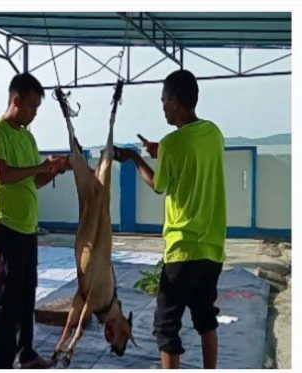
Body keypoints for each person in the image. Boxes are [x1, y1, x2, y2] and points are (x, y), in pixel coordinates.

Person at [114, 70, 226, 369]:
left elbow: (159, 185)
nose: (162, 106)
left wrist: (136, 158)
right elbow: (192, 155)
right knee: (205, 318)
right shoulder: (214, 133)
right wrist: (161, 152)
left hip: (183, 250)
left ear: (176, 102)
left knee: (166, 326)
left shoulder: (173, 144)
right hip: (213, 248)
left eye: (164, 100)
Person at [0, 72, 71, 369]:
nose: (33, 114)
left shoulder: (27, 136)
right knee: (6, 302)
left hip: (28, 229)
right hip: (6, 228)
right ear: (16, 100)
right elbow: (2, 175)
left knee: (26, 296)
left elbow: (33, 181)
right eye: (32, 107)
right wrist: (40, 165)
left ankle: (27, 352)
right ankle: (3, 364)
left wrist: (53, 170)